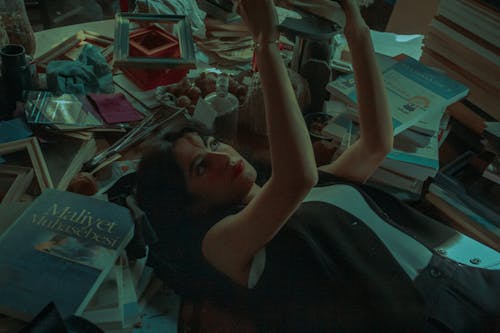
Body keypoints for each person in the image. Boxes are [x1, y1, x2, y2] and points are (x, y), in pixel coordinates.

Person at [135, 0, 500, 332]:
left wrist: (356, 30)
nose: (222, 156)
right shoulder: (220, 243)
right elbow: (296, 178)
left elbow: (376, 144)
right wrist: (265, 43)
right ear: (191, 204)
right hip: (426, 319)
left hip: (465, 275)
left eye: (213, 143)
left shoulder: (315, 187)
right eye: (200, 167)